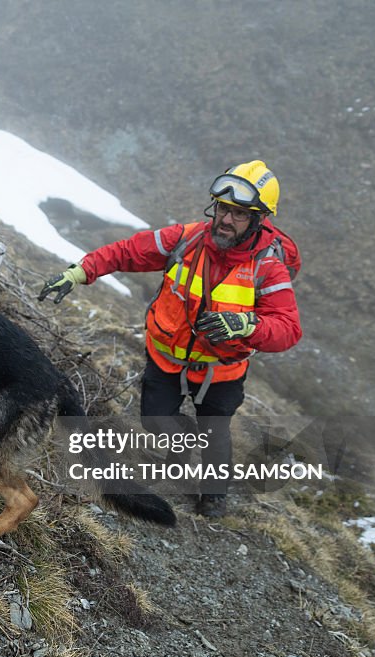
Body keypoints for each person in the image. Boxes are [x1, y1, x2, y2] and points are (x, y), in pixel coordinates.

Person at [39, 160, 302, 517]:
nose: (225, 219)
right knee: (155, 420)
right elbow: (127, 251)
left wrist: (245, 326)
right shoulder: (185, 239)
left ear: (259, 219)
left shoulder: (267, 267)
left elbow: (288, 329)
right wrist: (81, 271)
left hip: (221, 372)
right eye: (223, 208)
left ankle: (213, 494)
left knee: (215, 433)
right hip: (166, 359)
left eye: (239, 214)